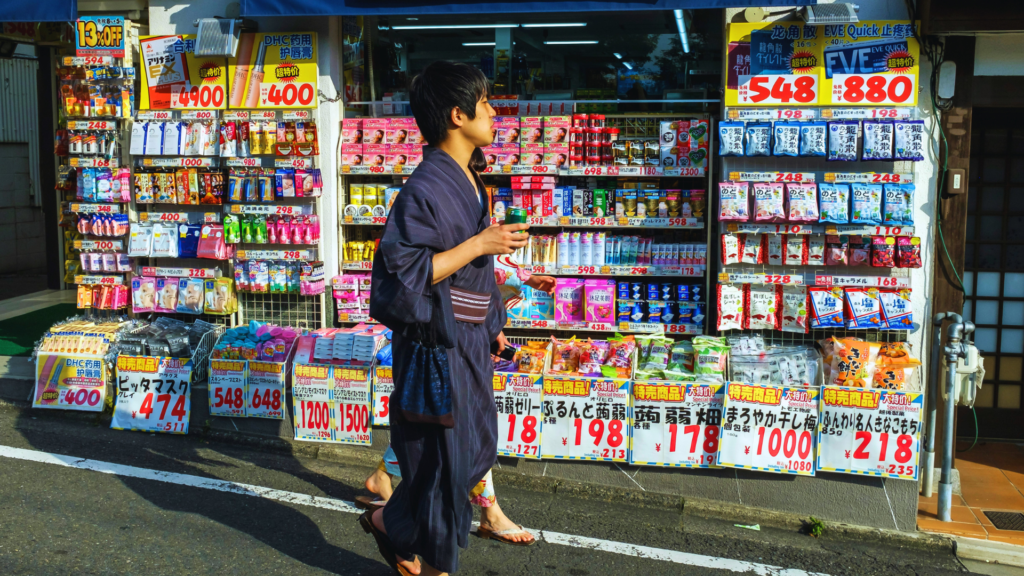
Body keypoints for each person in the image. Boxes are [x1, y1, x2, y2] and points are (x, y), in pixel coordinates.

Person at [366, 60, 529, 576]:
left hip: (468, 342)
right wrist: (482, 242)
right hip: (435, 350)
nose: (494, 113)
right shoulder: (424, 188)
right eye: (485, 104)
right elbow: (405, 274)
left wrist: (495, 316)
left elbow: (469, 273)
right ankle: (420, 548)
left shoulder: (468, 177)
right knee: (442, 465)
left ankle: (392, 523)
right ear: (458, 115)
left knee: (468, 455)